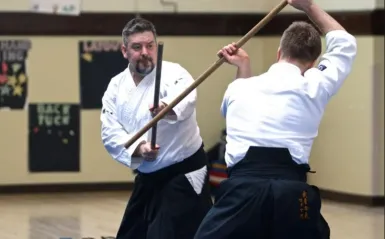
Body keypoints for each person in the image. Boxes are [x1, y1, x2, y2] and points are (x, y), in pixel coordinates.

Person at [194, 0, 357, 238]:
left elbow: (233, 113)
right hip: (292, 196)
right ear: (312, 64)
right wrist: (310, 7)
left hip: (241, 193)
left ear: (279, 52)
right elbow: (345, 43)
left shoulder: (238, 90)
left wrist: (243, 66)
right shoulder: (315, 85)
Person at [100, 17, 213, 239]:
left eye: (150, 45)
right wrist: (140, 148)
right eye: (137, 47)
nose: (145, 52)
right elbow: (110, 131)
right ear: (124, 51)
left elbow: (187, 99)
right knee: (130, 234)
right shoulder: (116, 86)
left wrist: (167, 108)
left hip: (183, 171)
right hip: (149, 175)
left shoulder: (175, 74)